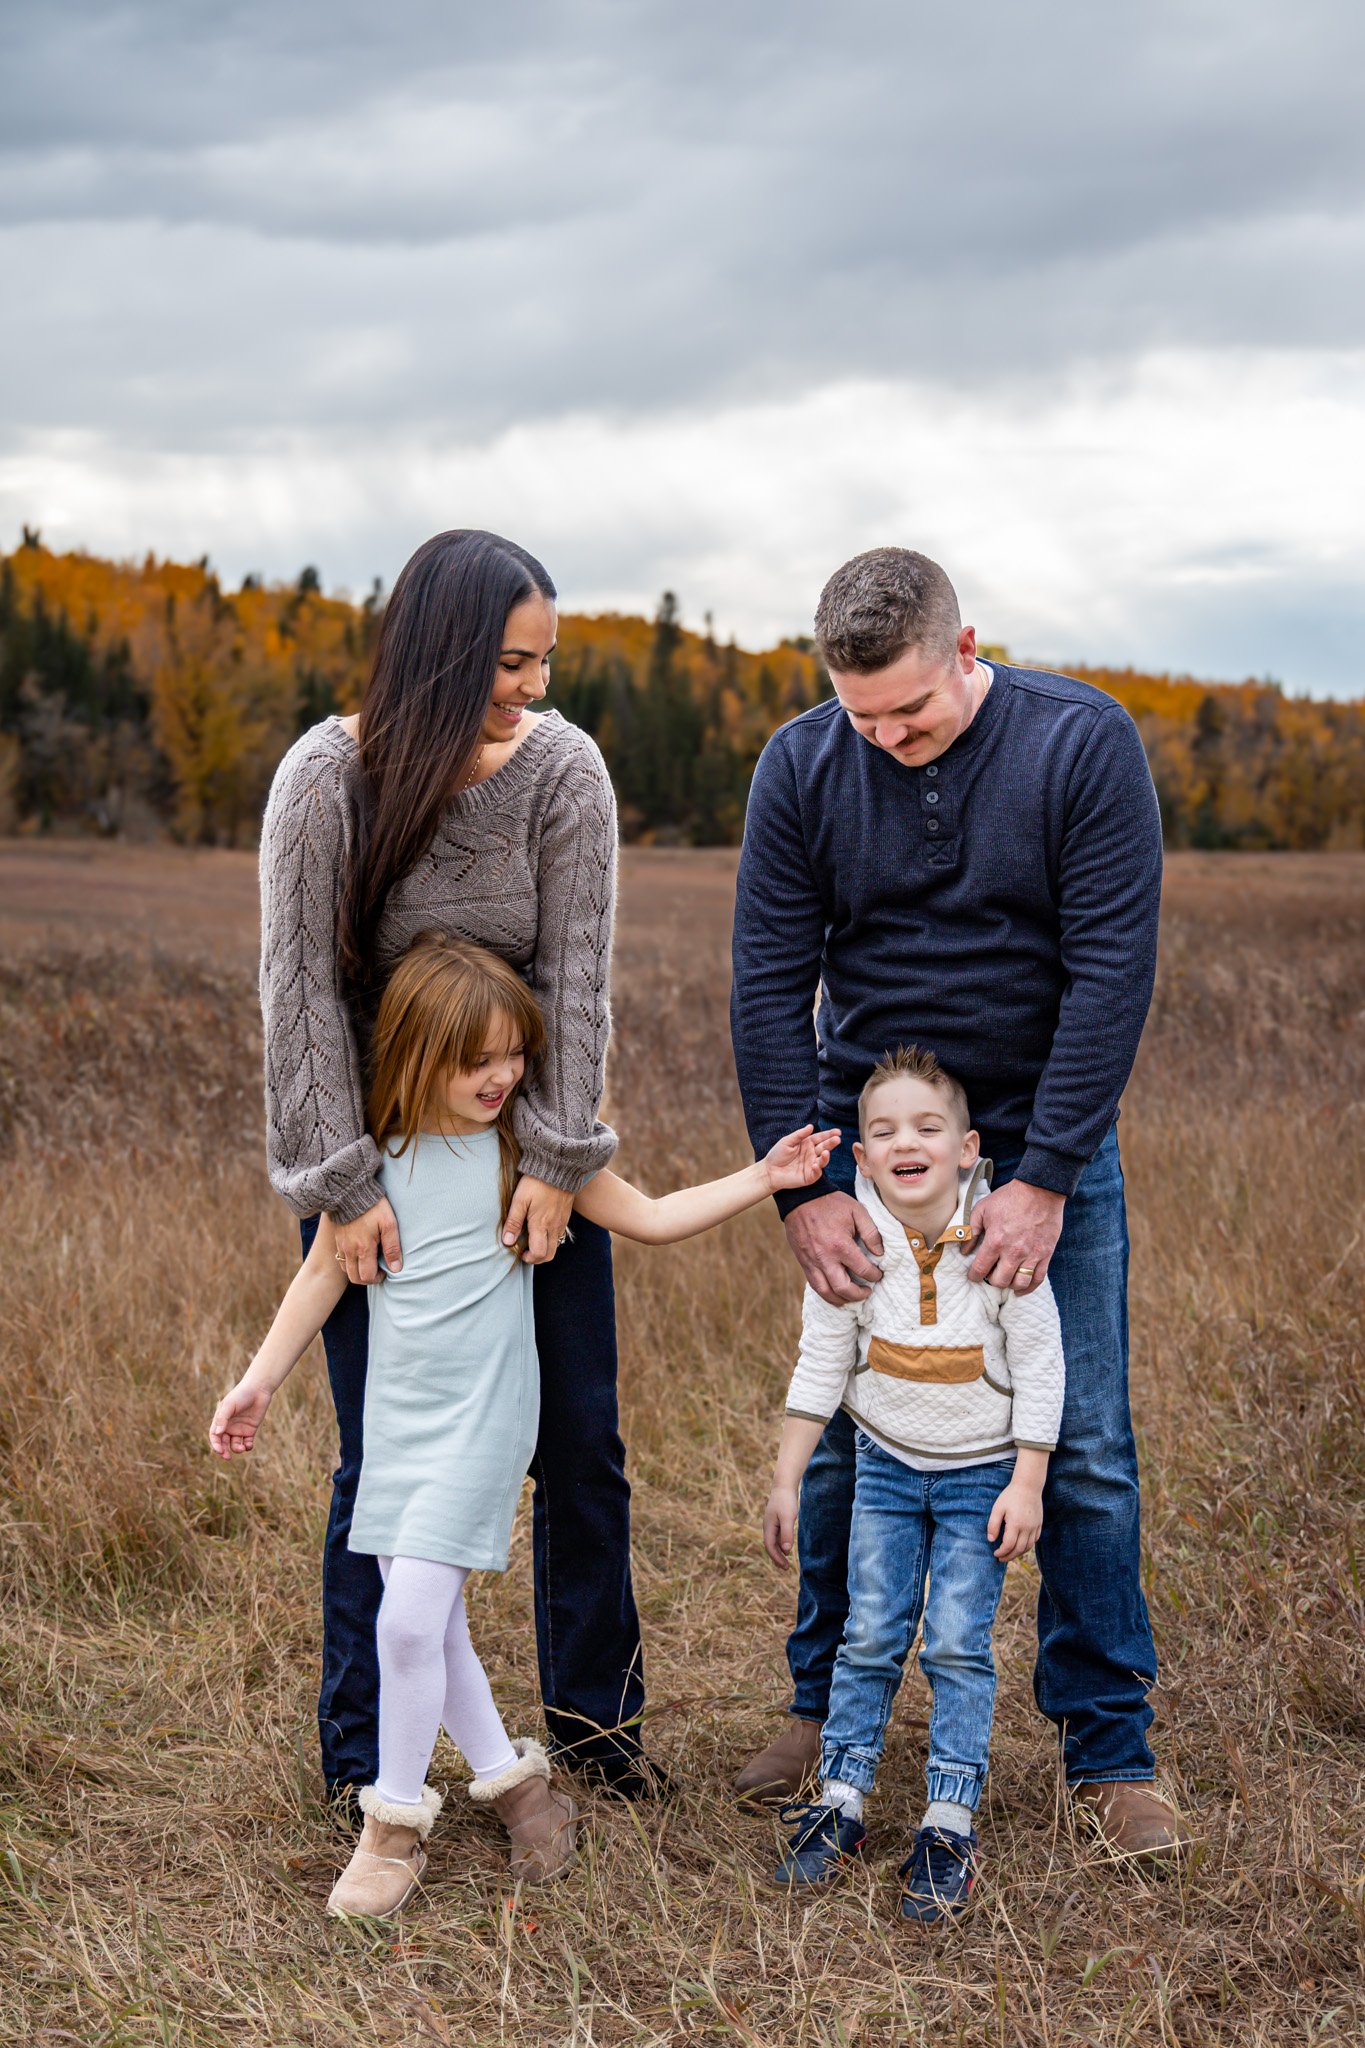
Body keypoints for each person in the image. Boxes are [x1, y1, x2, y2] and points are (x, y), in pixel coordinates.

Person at [213, 933, 839, 1918]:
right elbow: (319, 1278)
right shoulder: (371, 1164)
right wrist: (255, 1382)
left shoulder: (528, 1153)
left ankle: (394, 1826)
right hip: (402, 1419)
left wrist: (766, 1177)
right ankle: (524, 1794)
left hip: (486, 1418)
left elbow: (659, 1213)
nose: (504, 1074)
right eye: (478, 1060)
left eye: (514, 1053)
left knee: (409, 1619)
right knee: (441, 1630)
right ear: (419, 1056)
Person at [730, 546, 1193, 1859]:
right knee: (846, 1429)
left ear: (967, 647)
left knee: (1085, 1441)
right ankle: (823, 1712)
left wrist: (1042, 1176)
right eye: (859, 714)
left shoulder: (1080, 745)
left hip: (1043, 1141)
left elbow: (1112, 971)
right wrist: (809, 1188)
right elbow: (768, 982)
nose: (881, 739)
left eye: (909, 715)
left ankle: (1108, 1750)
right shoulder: (802, 766)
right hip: (872, 1154)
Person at [258, 529, 657, 1803]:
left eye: (544, 662)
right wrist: (343, 1185)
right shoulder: (327, 778)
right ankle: (358, 1757)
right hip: (379, 1181)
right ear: (437, 651)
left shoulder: (567, 775)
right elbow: (303, 994)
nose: (532, 688)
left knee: (581, 1440)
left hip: (534, 1167)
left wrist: (550, 1156)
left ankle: (594, 1739)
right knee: (385, 1459)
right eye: (508, 662)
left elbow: (576, 982)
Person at [763, 1047, 1064, 1923]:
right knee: (867, 1633)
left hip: (980, 1480)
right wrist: (787, 1478)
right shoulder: (853, 1244)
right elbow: (821, 1362)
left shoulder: (997, 1243)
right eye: (884, 1130)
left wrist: (1029, 1480)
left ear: (967, 1148)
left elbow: (1042, 1366)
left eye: (927, 1128)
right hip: (885, 1472)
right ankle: (844, 1796)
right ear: (859, 1156)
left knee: (957, 1645)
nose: (907, 1141)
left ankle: (947, 1818)